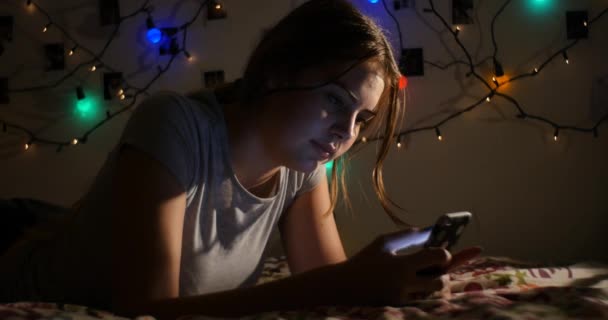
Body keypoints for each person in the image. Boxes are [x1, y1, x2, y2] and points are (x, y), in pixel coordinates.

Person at [0, 0, 481, 318]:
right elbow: (145, 309)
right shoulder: (174, 123)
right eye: (335, 100)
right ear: (275, 75)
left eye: (362, 119)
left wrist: (392, 281)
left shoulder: (305, 166)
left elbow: (325, 286)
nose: (346, 132)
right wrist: (347, 283)